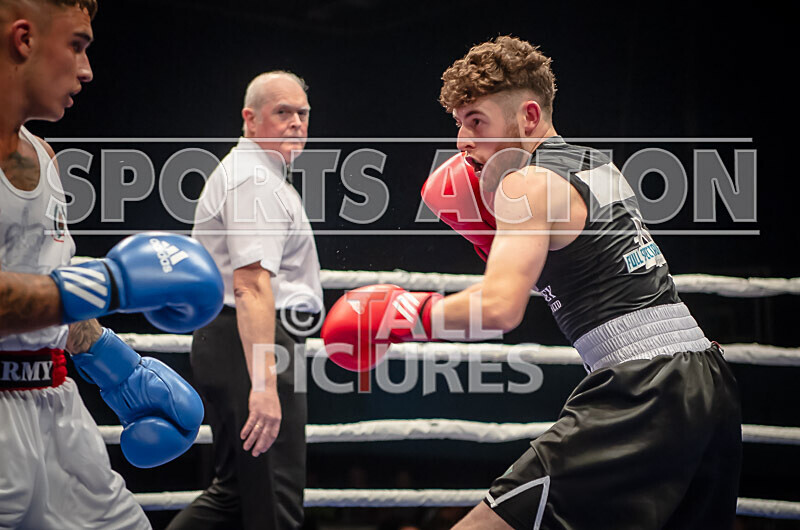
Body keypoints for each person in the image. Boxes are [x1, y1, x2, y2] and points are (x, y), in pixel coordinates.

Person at [321, 36, 742, 529]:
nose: (462, 143)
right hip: (707, 380)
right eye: (459, 125)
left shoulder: (525, 184)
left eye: (476, 122)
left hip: (640, 391)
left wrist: (398, 313)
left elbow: (500, 307)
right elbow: (596, 270)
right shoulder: (595, 163)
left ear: (527, 116)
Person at [0, 1, 223, 527]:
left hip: (56, 410)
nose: (87, 69)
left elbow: (52, 284)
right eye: (76, 45)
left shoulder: (46, 158)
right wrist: (111, 284)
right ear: (25, 39)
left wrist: (117, 369)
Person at [168, 71, 323, 530]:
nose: (296, 122)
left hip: (242, 341)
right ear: (250, 120)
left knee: (236, 496)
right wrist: (263, 383)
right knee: (272, 500)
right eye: (283, 112)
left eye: (303, 113)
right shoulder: (255, 180)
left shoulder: (258, 175)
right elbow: (251, 286)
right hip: (250, 343)